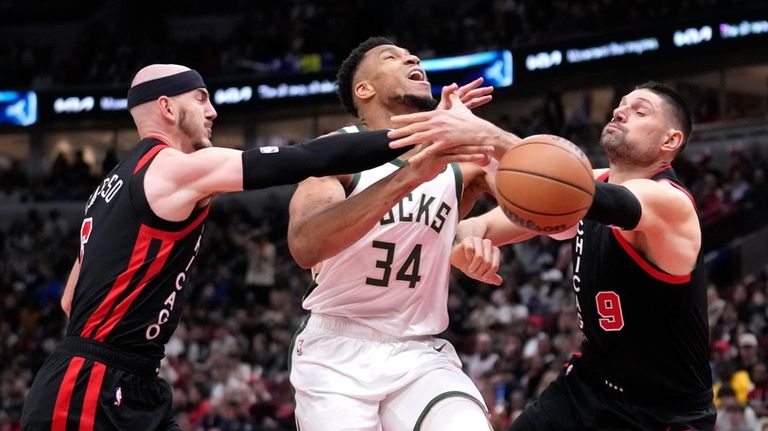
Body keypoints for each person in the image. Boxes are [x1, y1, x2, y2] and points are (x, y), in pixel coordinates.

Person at [19, 64, 486, 431]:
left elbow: (68, 300)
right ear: (166, 107)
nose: (213, 111)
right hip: (91, 386)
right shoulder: (168, 166)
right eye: (200, 98)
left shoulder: (110, 187)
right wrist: (426, 132)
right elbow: (302, 159)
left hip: (128, 378)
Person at [392, 81, 716, 430]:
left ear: (670, 141)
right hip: (589, 387)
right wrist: (467, 247)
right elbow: (475, 227)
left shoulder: (671, 203)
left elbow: (563, 182)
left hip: (660, 411)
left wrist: (482, 134)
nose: (620, 111)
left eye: (639, 111)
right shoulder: (586, 186)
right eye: (621, 105)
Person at [287, 37, 520, 431]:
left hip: (419, 349)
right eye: (390, 57)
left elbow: (557, 212)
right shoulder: (337, 149)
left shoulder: (462, 158)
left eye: (411, 54)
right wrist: (411, 173)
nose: (412, 57)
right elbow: (306, 244)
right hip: (335, 351)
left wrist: (483, 133)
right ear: (365, 90)